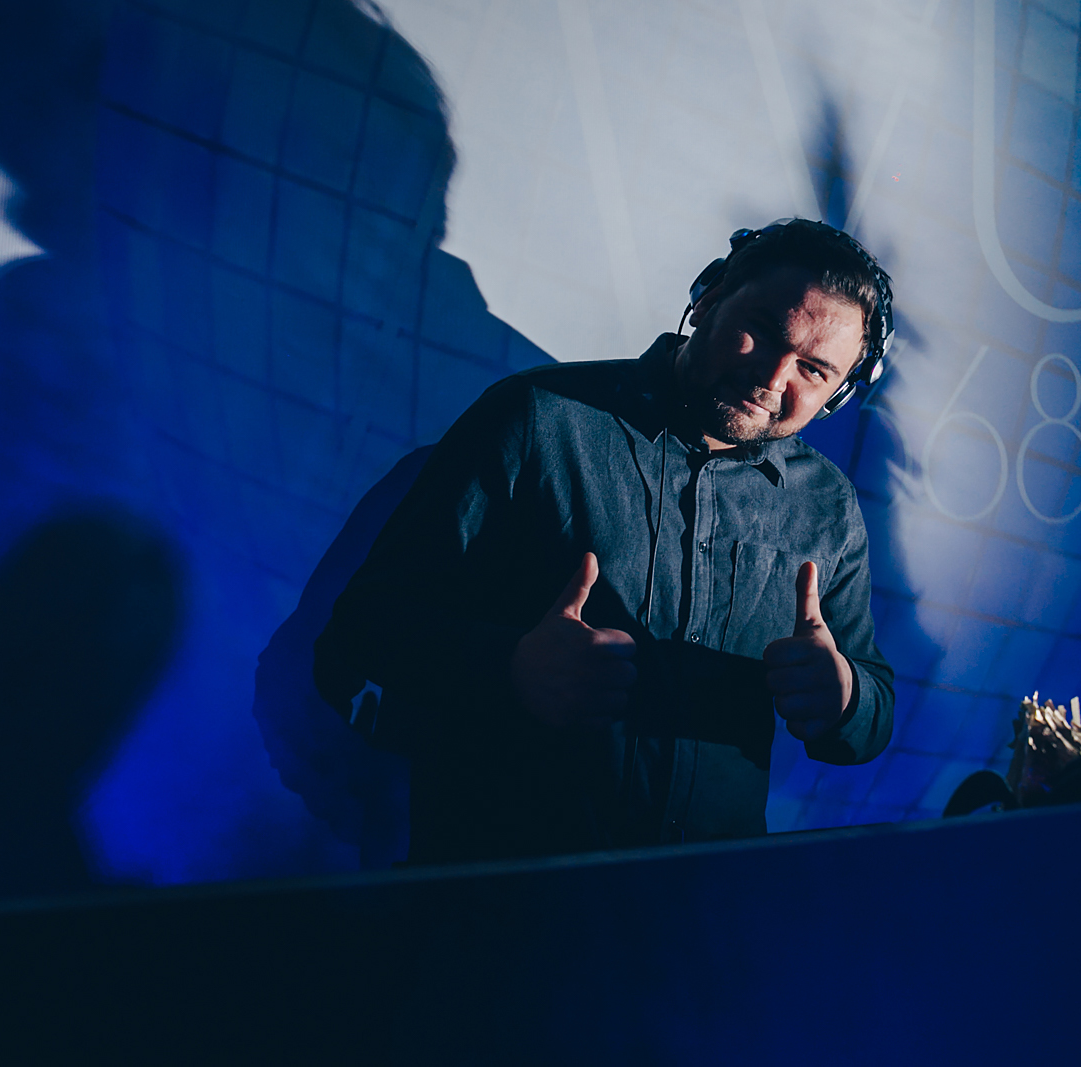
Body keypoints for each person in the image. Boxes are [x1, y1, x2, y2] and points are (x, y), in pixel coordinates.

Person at [314, 219, 896, 865]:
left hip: (703, 904)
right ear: (708, 299)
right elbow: (365, 626)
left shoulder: (827, 506)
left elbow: (872, 715)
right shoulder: (535, 417)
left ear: (840, 391)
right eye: (762, 329)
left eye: (813, 369)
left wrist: (844, 695)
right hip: (502, 894)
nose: (774, 376)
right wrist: (511, 665)